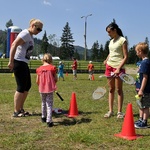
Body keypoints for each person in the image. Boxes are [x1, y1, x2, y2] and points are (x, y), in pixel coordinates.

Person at [8, 18, 43, 117]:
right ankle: (16, 111)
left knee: (27, 86)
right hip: (18, 61)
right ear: (32, 26)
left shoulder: (30, 36)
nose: (39, 32)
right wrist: (11, 61)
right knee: (21, 86)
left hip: (24, 62)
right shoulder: (25, 33)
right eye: (38, 29)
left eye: (41, 30)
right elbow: (14, 44)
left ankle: (20, 108)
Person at [103, 22, 128, 118]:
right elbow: (111, 53)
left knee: (119, 89)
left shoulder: (122, 40)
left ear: (115, 30)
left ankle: (119, 112)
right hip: (109, 67)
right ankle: (110, 111)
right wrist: (106, 59)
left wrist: (118, 68)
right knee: (111, 89)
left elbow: (125, 56)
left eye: (109, 32)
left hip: (118, 67)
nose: (108, 34)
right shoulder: (111, 41)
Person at [36, 53, 58, 127]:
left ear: (43, 60)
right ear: (50, 60)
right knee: (49, 104)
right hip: (49, 88)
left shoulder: (39, 69)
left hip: (41, 89)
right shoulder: (52, 68)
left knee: (43, 103)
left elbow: (37, 81)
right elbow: (56, 79)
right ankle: (49, 120)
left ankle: (43, 117)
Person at [134, 42, 150, 129]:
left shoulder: (145, 63)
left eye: (136, 51)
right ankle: (140, 119)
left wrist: (141, 90)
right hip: (139, 88)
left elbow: (145, 77)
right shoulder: (142, 63)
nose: (136, 53)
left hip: (145, 90)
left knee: (145, 106)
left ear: (140, 51)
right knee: (140, 104)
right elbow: (140, 76)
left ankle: (144, 122)